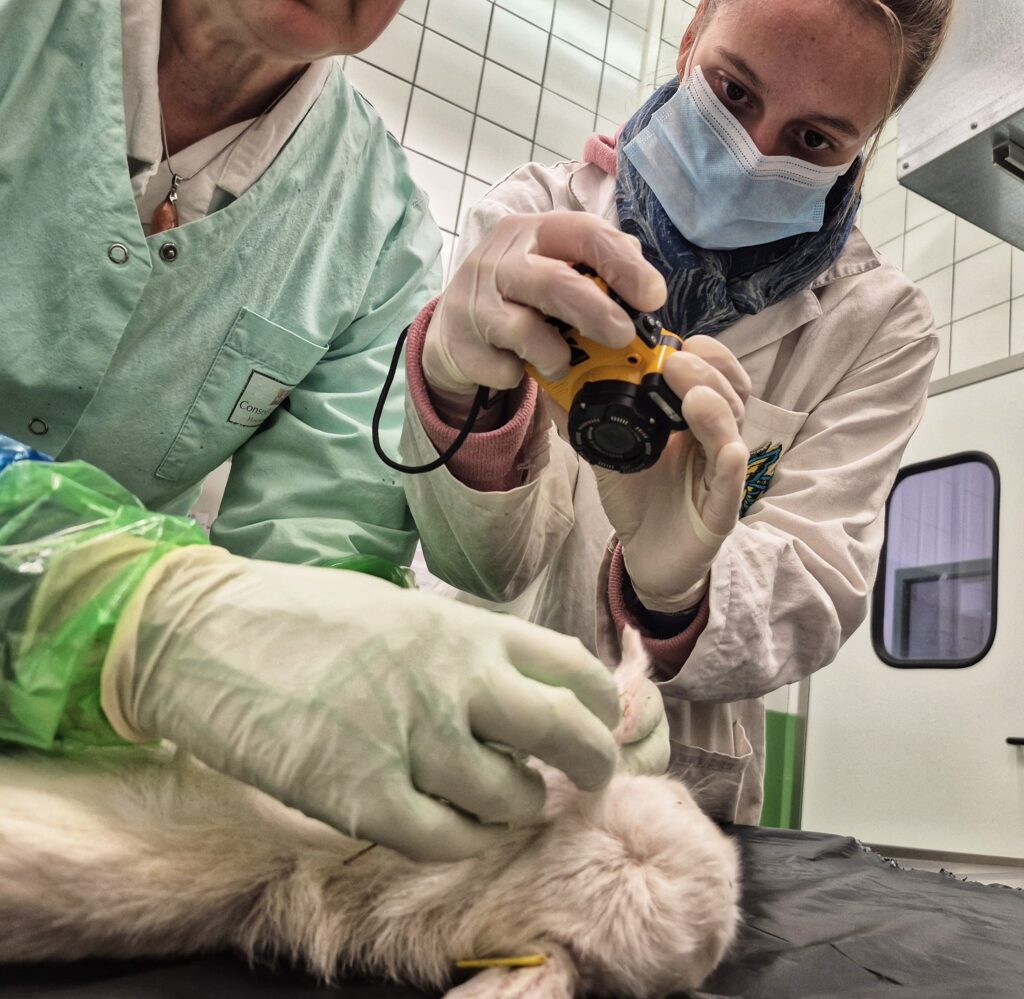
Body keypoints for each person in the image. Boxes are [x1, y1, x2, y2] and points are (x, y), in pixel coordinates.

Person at [0, 0, 669, 863]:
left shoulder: (377, 226)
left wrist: (435, 702)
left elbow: (320, 555)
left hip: (72, 777)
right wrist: (134, 616)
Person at [401, 0, 954, 825]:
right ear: (692, 36)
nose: (752, 157)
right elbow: (475, 559)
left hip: (673, 778)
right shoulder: (537, 213)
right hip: (466, 703)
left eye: (815, 141)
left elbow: (819, 583)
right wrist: (457, 395)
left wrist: (673, 595)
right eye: (733, 92)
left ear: (866, 142)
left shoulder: (877, 324)